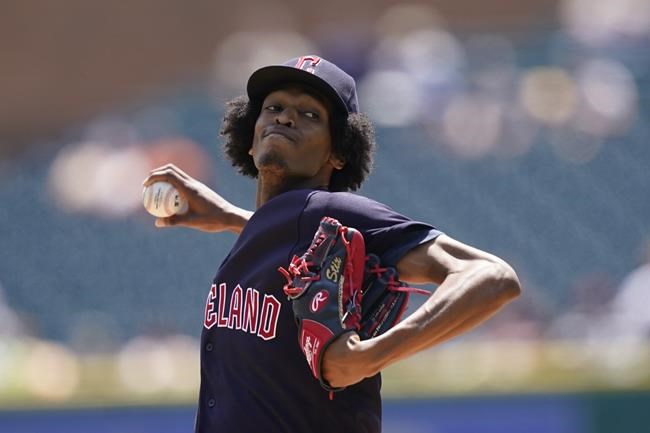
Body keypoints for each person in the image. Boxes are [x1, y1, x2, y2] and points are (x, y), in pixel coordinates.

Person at [143, 55, 521, 433]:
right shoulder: (273, 233)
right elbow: (291, 243)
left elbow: (492, 276)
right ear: (250, 138)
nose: (285, 118)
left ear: (338, 152)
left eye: (310, 115)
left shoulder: (332, 210)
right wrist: (235, 218)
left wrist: (369, 356)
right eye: (274, 107)